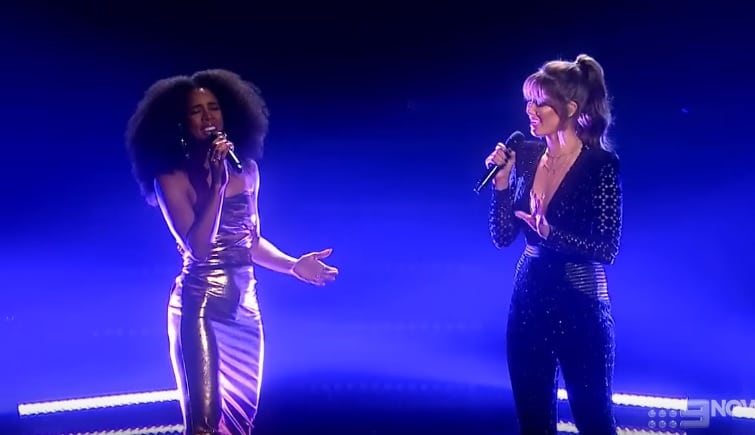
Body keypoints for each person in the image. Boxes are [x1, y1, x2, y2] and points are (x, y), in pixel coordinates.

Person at [125, 69, 339, 434]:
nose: (208, 117)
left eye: (214, 108)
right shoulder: (170, 180)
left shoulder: (248, 171)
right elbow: (199, 248)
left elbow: (250, 242)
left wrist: (293, 265)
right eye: (196, 111)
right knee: (205, 424)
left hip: (245, 311)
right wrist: (218, 187)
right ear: (180, 122)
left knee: (239, 424)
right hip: (201, 309)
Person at [485, 54, 622, 434]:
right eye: (528, 102)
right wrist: (501, 185)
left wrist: (552, 236)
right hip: (528, 300)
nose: (530, 111)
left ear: (570, 108)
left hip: (580, 303)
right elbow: (503, 237)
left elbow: (606, 247)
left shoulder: (600, 164)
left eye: (540, 103)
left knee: (594, 421)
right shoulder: (528, 156)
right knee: (533, 422)